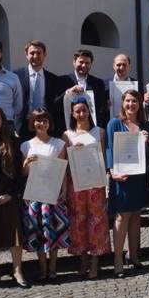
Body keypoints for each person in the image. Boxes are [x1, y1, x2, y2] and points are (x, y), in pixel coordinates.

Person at [107, 90, 149, 277]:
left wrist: (147, 140)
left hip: (139, 178)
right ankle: (118, 259)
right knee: (121, 217)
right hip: (122, 176)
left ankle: (133, 256)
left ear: (140, 104)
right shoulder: (115, 123)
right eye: (127, 101)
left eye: (134, 101)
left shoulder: (145, 125)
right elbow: (109, 148)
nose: (131, 104)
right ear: (122, 103)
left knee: (136, 216)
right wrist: (112, 172)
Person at [62, 97, 110, 279]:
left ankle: (96, 261)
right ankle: (83, 260)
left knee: (97, 221)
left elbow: (104, 161)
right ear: (73, 114)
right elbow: (65, 163)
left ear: (89, 111)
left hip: (95, 183)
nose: (81, 114)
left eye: (84, 110)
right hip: (76, 184)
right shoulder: (67, 135)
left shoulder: (100, 132)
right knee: (78, 222)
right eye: (77, 111)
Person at [21, 107, 68, 282]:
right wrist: (26, 162)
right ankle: (43, 268)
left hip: (53, 194)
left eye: (44, 120)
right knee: (38, 232)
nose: (41, 123)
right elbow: (23, 173)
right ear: (33, 123)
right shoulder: (26, 145)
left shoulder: (58, 144)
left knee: (53, 232)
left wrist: (63, 189)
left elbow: (63, 169)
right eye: (38, 120)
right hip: (33, 195)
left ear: (49, 123)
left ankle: (53, 268)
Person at [0, 106, 28, 288]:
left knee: (14, 234)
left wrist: (11, 194)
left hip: (8, 195)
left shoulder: (12, 143)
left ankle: (17, 270)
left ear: (3, 120)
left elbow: (18, 173)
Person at [54, 49, 108, 133]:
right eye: (81, 62)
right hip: (69, 131)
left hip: (91, 131)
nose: (84, 65)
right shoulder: (62, 80)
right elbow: (55, 104)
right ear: (74, 62)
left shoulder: (98, 83)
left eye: (87, 63)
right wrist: (67, 92)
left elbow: (101, 108)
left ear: (91, 64)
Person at [14, 40, 58, 140]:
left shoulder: (53, 79)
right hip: (22, 127)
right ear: (26, 54)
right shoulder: (16, 76)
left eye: (39, 53)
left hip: (46, 127)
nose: (35, 56)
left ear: (44, 54)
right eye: (32, 53)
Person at [0, 39, 23, 134]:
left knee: (7, 149)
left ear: (1, 54)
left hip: (6, 126)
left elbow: (18, 106)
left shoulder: (13, 78)